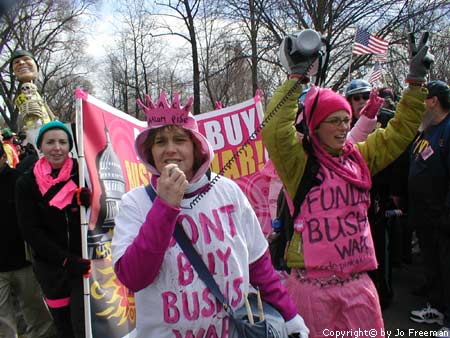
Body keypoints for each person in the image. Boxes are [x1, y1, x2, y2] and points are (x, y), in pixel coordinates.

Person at [262, 30, 433, 336]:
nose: (343, 127)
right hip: (310, 292)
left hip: (358, 289)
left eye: (345, 119)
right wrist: (297, 76)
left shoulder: (360, 158)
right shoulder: (298, 165)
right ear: (315, 126)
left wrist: (416, 82)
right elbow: (275, 129)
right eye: (334, 121)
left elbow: (399, 132)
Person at [111, 92, 309, 338]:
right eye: (160, 142)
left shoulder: (228, 191)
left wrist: (290, 318)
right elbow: (133, 277)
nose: (170, 149)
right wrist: (164, 207)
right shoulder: (135, 203)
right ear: (150, 152)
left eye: (179, 140)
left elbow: (259, 268)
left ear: (196, 147)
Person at [15, 121, 92, 338]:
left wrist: (91, 199)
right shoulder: (26, 183)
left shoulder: (83, 173)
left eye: (62, 142)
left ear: (70, 146)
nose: (57, 147)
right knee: (64, 327)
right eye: (50, 142)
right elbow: (31, 231)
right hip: (51, 269)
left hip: (84, 267)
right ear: (40, 146)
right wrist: (66, 260)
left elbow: (105, 210)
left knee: (83, 327)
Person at [0, 140, 56, 338]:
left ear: (4, 158)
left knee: (36, 313)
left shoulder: (20, 180)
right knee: (3, 321)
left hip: (24, 260)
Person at [408, 80, 450, 335]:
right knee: (433, 263)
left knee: (447, 266)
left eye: (423, 100)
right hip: (425, 215)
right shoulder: (427, 130)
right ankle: (437, 307)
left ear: (433, 100)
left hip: (443, 216)